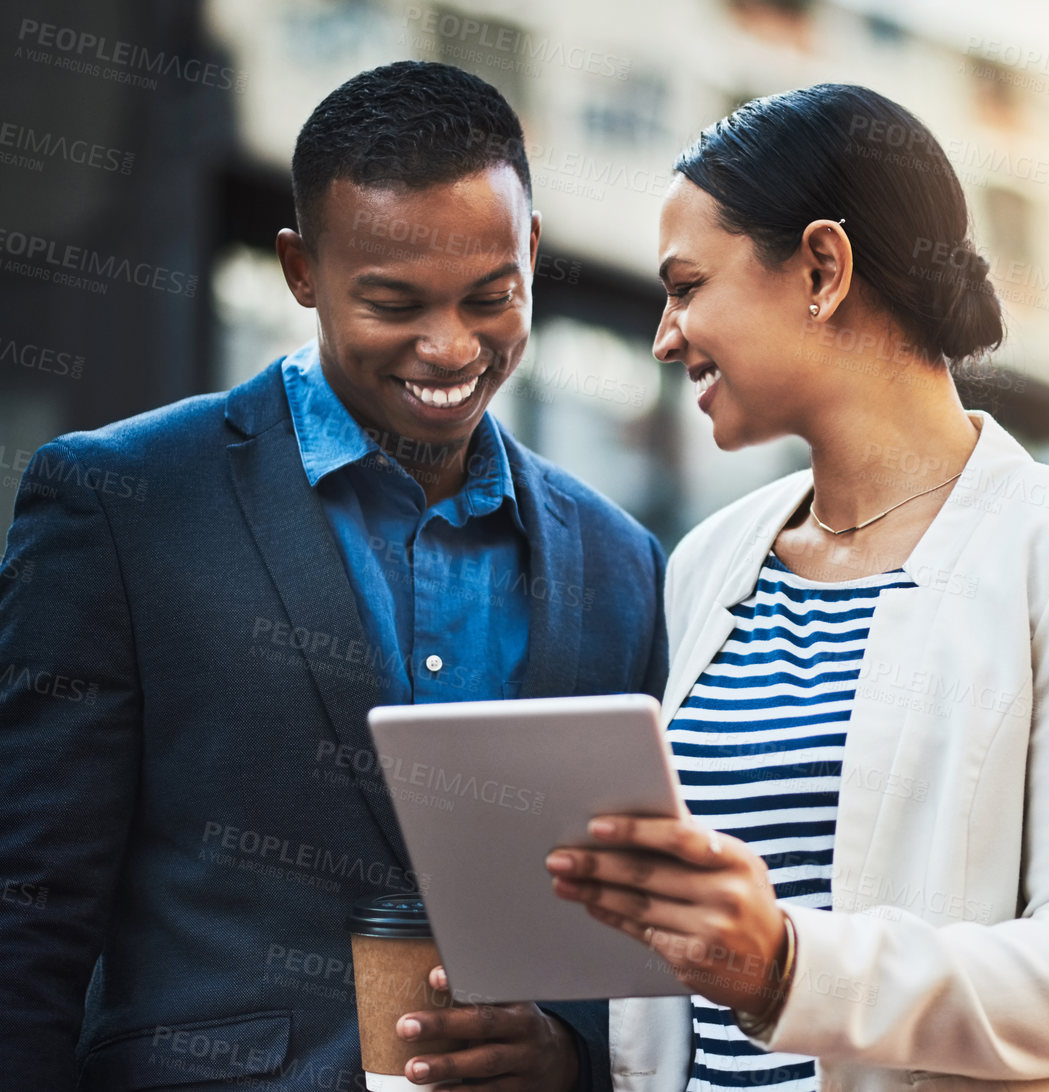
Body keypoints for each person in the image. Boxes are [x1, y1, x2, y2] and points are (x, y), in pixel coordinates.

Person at [0, 61, 664, 1090]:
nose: (451, 347)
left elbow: (623, 918)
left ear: (531, 254)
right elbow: (26, 907)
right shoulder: (121, 503)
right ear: (300, 270)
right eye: (394, 303)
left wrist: (565, 1050)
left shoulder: (620, 562)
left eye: (491, 297)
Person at [543, 84, 1049, 1092]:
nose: (666, 335)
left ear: (821, 267)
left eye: (688, 286)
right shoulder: (708, 564)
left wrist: (789, 967)